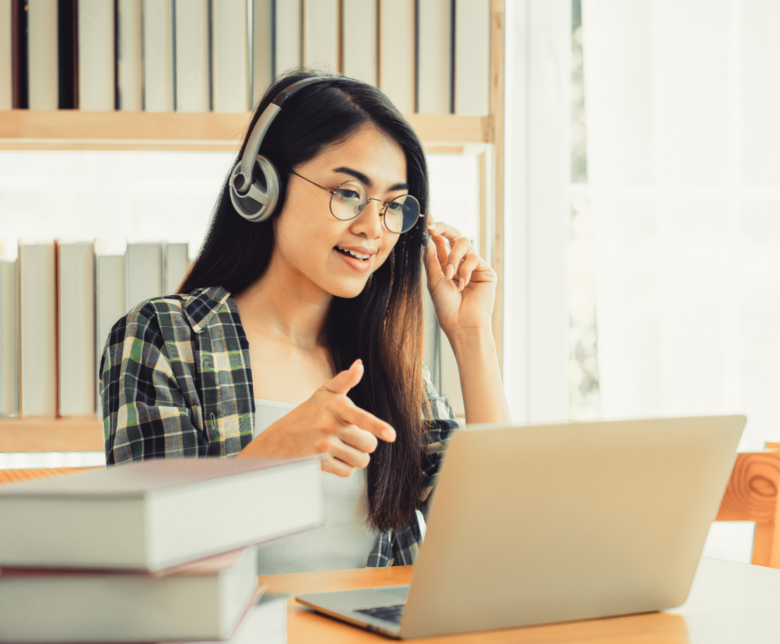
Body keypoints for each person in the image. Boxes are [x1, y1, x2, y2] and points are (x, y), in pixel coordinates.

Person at [99, 72, 509, 572]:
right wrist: (270, 458)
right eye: (348, 193)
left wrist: (472, 337)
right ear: (262, 187)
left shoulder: (389, 367)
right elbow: (144, 551)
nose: (371, 228)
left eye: (393, 206)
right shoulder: (165, 337)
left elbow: (496, 532)